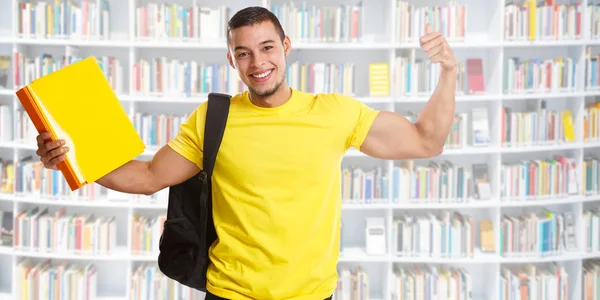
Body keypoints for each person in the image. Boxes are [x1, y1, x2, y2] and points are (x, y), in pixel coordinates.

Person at [34, 6, 457, 300]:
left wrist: (449, 71)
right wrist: (70, 157)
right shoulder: (214, 118)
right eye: (244, 53)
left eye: (267, 47)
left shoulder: (334, 113)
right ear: (232, 59)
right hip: (230, 294)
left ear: (286, 45)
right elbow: (146, 178)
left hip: (310, 296)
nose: (258, 62)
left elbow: (426, 141)